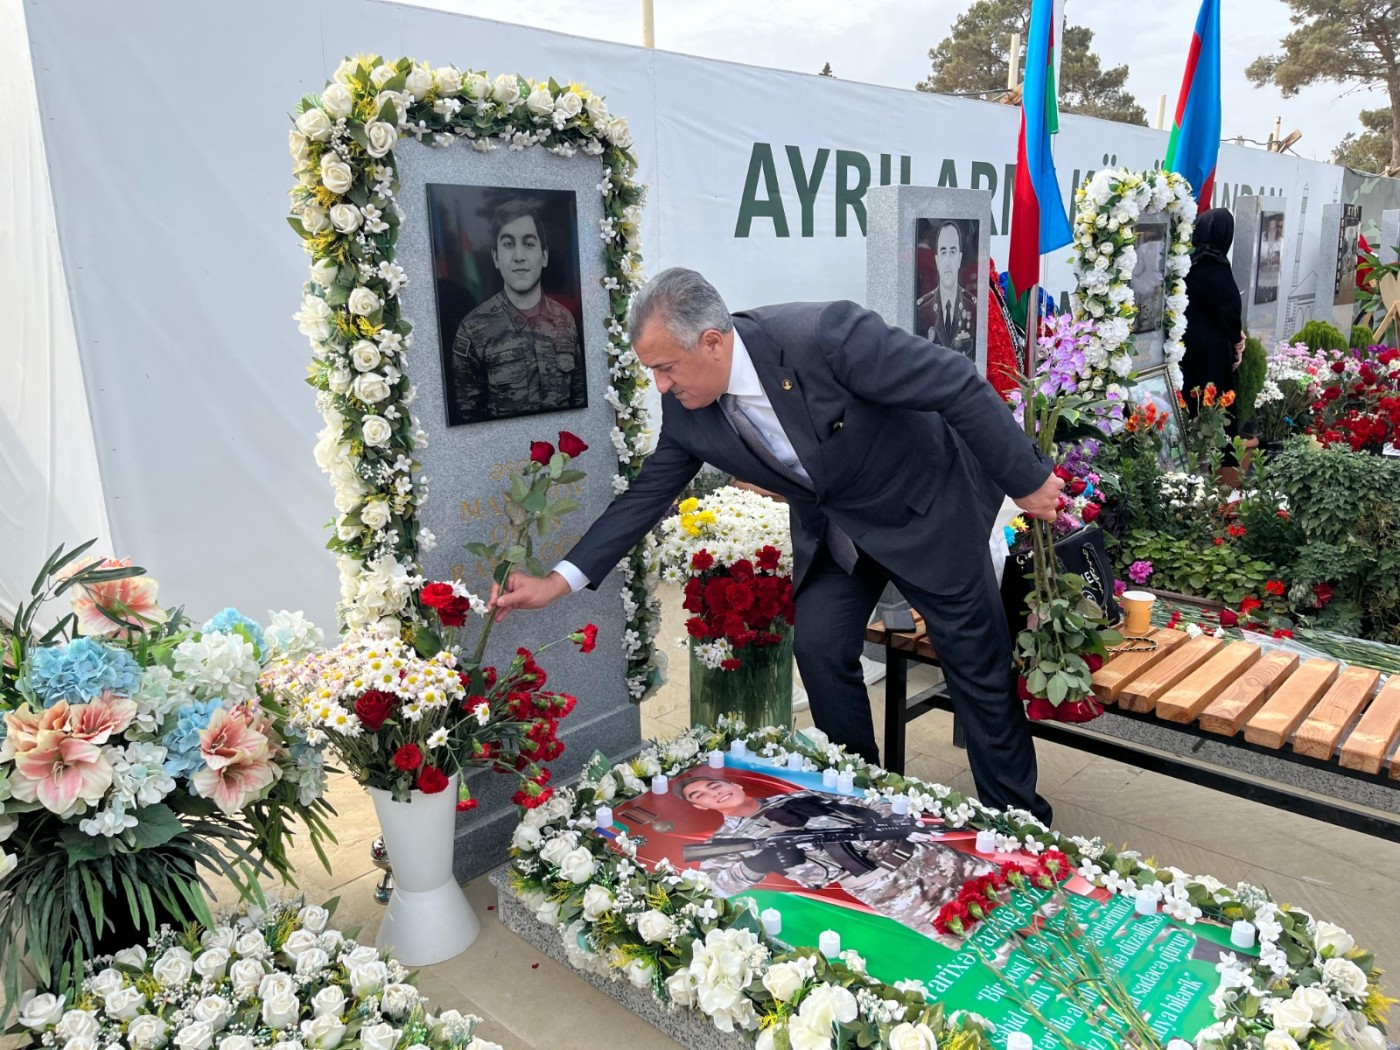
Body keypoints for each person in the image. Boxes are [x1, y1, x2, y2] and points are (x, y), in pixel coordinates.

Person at [490, 267, 1063, 822]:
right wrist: (557, 581)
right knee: (818, 648)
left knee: (977, 670)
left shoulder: (825, 336)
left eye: (665, 369)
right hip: (838, 532)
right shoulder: (687, 407)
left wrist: (1028, 479)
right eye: (652, 373)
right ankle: (864, 799)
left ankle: (1019, 823)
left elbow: (956, 383)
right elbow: (645, 497)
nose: (660, 386)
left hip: (922, 511)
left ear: (712, 342)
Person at [676, 774, 995, 928]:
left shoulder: (794, 798)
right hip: (885, 889)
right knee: (964, 935)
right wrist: (758, 864)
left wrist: (889, 818)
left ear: (736, 785)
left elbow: (860, 804)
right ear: (697, 806)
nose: (712, 793)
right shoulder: (724, 842)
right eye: (700, 794)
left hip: (924, 855)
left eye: (714, 785)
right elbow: (713, 885)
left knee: (1011, 889)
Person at [449, 200, 584, 423]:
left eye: (529, 244)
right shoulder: (473, 329)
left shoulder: (564, 320)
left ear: (544, 256)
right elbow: (467, 417)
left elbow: (578, 398)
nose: (519, 256)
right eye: (509, 244)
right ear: (495, 257)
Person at [1181, 208, 1245, 415]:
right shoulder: (1215, 265)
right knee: (1211, 407)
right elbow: (1229, 308)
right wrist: (1237, 338)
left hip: (1186, 346)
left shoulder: (1187, 262)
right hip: (1211, 353)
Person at [916, 221, 977, 358]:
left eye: (952, 252)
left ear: (960, 259)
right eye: (943, 252)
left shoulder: (973, 306)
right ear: (937, 260)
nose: (948, 261)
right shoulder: (922, 308)